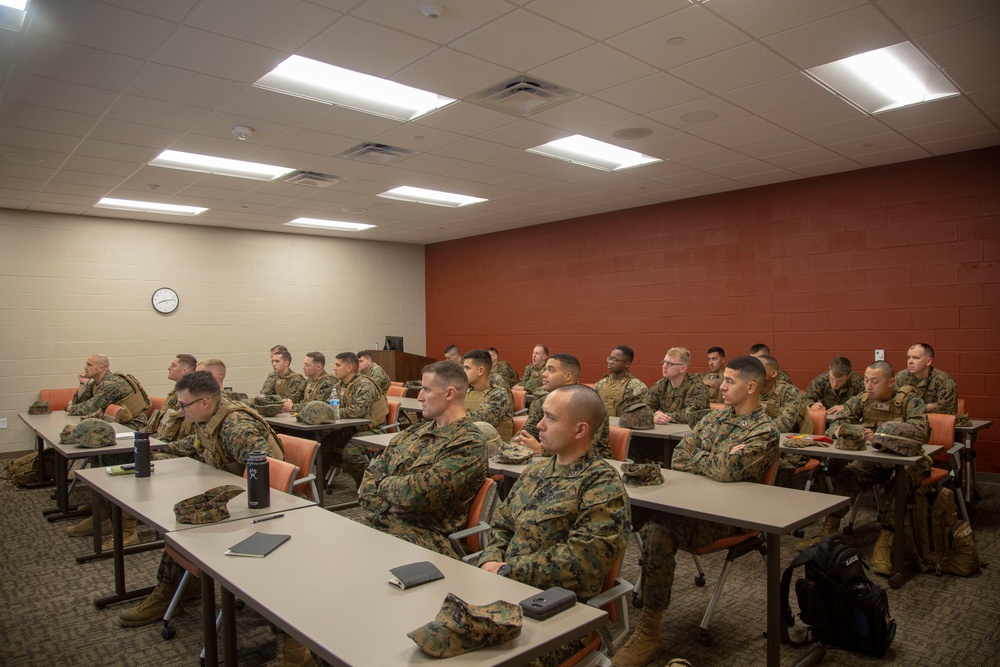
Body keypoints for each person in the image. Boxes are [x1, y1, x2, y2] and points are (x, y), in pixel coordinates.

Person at [612, 356, 779, 667]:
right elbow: (680, 456)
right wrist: (716, 459)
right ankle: (592, 602)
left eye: (730, 381)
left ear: (752, 386)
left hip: (725, 518)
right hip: (689, 502)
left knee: (657, 531)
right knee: (618, 511)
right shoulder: (714, 419)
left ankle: (648, 631)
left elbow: (729, 471)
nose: (721, 385)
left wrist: (711, 459)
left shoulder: (765, 430)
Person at [118, 371, 284, 628]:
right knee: (182, 513)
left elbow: (266, 471)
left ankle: (170, 591)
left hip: (265, 504)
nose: (182, 411)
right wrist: (163, 449)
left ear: (204, 402)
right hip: (231, 490)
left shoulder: (235, 425)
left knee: (185, 524)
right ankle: (181, 585)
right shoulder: (209, 417)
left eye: (185, 405)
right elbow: (198, 445)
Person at [479, 385, 630, 666]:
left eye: (551, 418)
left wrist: (508, 569)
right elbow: (502, 526)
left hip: (558, 610)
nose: (538, 424)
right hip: (504, 588)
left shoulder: (602, 485)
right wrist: (491, 560)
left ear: (580, 430)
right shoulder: (536, 471)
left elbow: (582, 564)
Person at [800, 361, 929, 572]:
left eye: (875, 382)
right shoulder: (862, 399)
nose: (868, 386)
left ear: (891, 382)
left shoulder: (909, 400)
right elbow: (837, 424)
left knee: (899, 485)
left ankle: (886, 542)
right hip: (875, 459)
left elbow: (919, 431)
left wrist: (879, 434)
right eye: (867, 380)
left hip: (909, 462)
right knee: (847, 477)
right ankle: (828, 531)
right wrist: (851, 431)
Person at [359, 360, 488, 557]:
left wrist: (382, 482)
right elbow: (367, 480)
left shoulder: (468, 443)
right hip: (383, 523)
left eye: (426, 390)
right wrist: (388, 506)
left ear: (450, 394)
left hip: (426, 540)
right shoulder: (416, 430)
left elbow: (416, 494)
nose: (419, 397)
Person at [512, 353, 613, 459]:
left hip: (591, 465)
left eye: (551, 370)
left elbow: (584, 446)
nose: (544, 374)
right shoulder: (541, 403)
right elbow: (528, 431)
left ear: (568, 376)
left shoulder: (589, 404)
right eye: (545, 369)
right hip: (552, 461)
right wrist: (516, 443)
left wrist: (541, 449)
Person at [330, 352, 390, 488]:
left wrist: (334, 413)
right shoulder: (339, 386)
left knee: (350, 453)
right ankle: (320, 484)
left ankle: (371, 483)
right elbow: (331, 407)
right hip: (349, 429)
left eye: (338, 365)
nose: (334, 368)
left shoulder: (364, 384)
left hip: (372, 431)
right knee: (322, 446)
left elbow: (358, 411)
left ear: (349, 368)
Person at [66, 354, 148, 430]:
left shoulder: (112, 384)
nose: (85, 368)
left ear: (100, 368)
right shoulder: (96, 383)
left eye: (89, 365)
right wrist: (82, 383)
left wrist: (70, 408)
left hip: (133, 425)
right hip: (117, 423)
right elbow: (79, 403)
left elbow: (90, 408)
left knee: (85, 433)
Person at [648, 347, 709, 425]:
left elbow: (690, 415)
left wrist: (663, 416)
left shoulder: (696, 387)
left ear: (682, 368)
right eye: (664, 362)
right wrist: (654, 415)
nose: (664, 366)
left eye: (670, 364)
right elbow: (644, 408)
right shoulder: (661, 385)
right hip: (667, 430)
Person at [462, 349, 514, 440]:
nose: (463, 372)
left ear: (480, 371)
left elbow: (477, 422)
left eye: (467, 368)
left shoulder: (499, 396)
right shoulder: (466, 393)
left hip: (495, 450)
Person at [894, 343, 958, 414]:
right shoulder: (901, 377)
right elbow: (894, 405)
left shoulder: (944, 381)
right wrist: (929, 407)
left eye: (915, 358)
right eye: (908, 357)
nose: (910, 361)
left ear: (928, 361)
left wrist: (911, 408)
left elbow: (945, 411)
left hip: (934, 422)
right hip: (907, 422)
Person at [593, 345, 649, 418]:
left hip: (623, 427)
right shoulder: (600, 384)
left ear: (627, 364)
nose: (610, 362)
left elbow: (644, 413)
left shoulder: (637, 387)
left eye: (615, 359)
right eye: (610, 358)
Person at [757, 355, 807, 433]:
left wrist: (753, 428)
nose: (752, 371)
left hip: (787, 441)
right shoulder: (748, 390)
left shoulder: (789, 392)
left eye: (758, 368)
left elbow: (784, 425)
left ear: (773, 373)